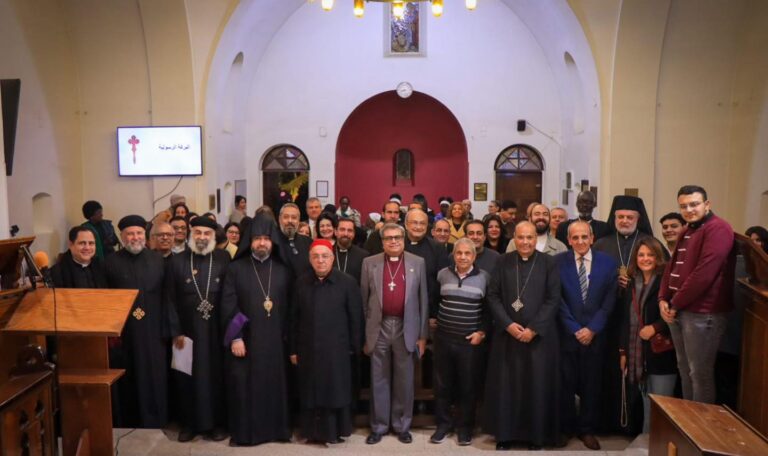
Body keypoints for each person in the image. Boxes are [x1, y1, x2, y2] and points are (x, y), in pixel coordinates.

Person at [484, 222, 561, 450]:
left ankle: (536, 437)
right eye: (521, 237)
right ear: (514, 239)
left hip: (539, 339)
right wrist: (508, 325)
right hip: (508, 337)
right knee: (507, 387)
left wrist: (534, 328)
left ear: (536, 238)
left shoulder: (548, 263)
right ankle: (505, 435)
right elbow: (492, 296)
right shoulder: (502, 261)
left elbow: (553, 298)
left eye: (530, 237)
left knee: (536, 386)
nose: (525, 242)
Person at [659, 185, 735, 404]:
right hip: (678, 309)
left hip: (703, 312)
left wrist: (675, 303)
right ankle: (688, 418)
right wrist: (662, 298)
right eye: (683, 206)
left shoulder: (718, 228)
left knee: (699, 373)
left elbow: (705, 273)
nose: (689, 210)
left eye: (694, 204)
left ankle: (701, 423)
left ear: (707, 204)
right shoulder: (687, 229)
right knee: (684, 369)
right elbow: (671, 266)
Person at [221, 215, 292, 445]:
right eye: (257, 238)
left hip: (276, 342)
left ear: (273, 242)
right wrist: (236, 337)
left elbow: (291, 307)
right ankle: (248, 434)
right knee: (246, 388)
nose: (262, 243)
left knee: (275, 386)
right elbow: (229, 304)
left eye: (266, 239)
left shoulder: (283, 270)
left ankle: (277, 431)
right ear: (249, 241)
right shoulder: (235, 268)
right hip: (247, 341)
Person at [592, 194, 657, 432]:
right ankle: (606, 422)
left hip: (639, 320)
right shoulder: (601, 244)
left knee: (637, 372)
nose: (625, 221)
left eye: (630, 217)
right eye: (620, 217)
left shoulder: (650, 244)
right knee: (606, 370)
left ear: (638, 219)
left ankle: (637, 426)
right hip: (607, 320)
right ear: (614, 218)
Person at [289, 239, 364, 444]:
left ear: (332, 258)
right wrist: (293, 350)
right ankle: (311, 432)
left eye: (325, 256)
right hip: (308, 350)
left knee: (335, 391)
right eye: (316, 256)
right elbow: (293, 319)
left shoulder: (347, 282)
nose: (320, 260)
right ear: (310, 259)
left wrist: (354, 349)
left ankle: (334, 432)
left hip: (337, 351)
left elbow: (355, 319)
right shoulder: (301, 282)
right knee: (310, 391)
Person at [361, 223, 429, 445]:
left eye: (397, 237)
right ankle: (379, 426)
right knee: (378, 378)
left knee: (404, 380)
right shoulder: (369, 263)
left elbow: (423, 301)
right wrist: (365, 334)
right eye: (388, 238)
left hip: (405, 327)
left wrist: (422, 336)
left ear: (404, 239)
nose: (393, 241)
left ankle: (402, 426)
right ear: (382, 242)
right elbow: (363, 301)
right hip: (378, 327)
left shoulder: (417, 262)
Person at [165, 216, 230, 442]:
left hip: (216, 332)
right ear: (191, 234)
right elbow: (169, 299)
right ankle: (189, 424)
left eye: (207, 233)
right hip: (187, 332)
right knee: (186, 377)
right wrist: (176, 331)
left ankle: (216, 424)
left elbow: (230, 295)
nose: (202, 237)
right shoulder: (177, 261)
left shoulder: (223, 258)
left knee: (216, 377)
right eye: (198, 233)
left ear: (214, 236)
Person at [557, 221, 618, 450]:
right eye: (575, 237)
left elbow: (609, 301)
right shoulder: (557, 263)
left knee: (592, 385)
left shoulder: (608, 263)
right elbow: (557, 300)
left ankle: (587, 429)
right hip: (567, 335)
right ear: (568, 240)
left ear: (592, 238)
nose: (580, 241)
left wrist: (592, 329)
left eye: (584, 237)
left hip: (596, 335)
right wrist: (575, 329)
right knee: (565, 385)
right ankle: (566, 428)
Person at [105, 215, 167, 428]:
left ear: (145, 235)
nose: (135, 237)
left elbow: (166, 295)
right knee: (129, 375)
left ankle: (157, 420)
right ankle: (130, 421)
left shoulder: (158, 260)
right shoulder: (110, 262)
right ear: (122, 236)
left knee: (154, 376)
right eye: (130, 234)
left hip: (154, 330)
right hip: (126, 333)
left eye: (139, 233)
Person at [431, 238, 490, 446]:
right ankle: (443, 425)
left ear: (474, 256)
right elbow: (434, 300)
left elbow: (488, 311)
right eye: (459, 253)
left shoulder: (484, 277)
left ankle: (465, 428)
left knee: (468, 387)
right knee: (442, 385)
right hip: (444, 339)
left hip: (469, 343)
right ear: (453, 255)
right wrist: (433, 318)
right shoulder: (442, 274)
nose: (463, 257)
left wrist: (481, 332)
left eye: (467, 253)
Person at [618, 237, 677, 434]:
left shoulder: (667, 282)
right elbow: (625, 320)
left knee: (662, 404)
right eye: (641, 255)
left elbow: (677, 313)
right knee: (646, 402)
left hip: (662, 353)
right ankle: (647, 440)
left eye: (650, 254)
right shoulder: (631, 283)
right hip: (639, 356)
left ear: (658, 257)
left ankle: (660, 444)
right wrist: (623, 351)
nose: (645, 259)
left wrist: (655, 327)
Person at [404, 209, 450, 321]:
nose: (418, 227)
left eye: (422, 223)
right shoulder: (397, 245)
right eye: (414, 222)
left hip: (427, 310)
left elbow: (442, 283)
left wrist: (434, 315)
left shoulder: (437, 248)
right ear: (406, 224)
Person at [275, 202, 313, 278]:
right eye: (286, 217)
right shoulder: (272, 242)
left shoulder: (308, 242)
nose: (290, 221)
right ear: (279, 219)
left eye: (294, 217)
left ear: (298, 221)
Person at [334, 217, 369, 284]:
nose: (346, 234)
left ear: (354, 234)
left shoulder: (363, 256)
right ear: (335, 232)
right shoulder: (327, 253)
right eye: (342, 230)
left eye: (350, 230)